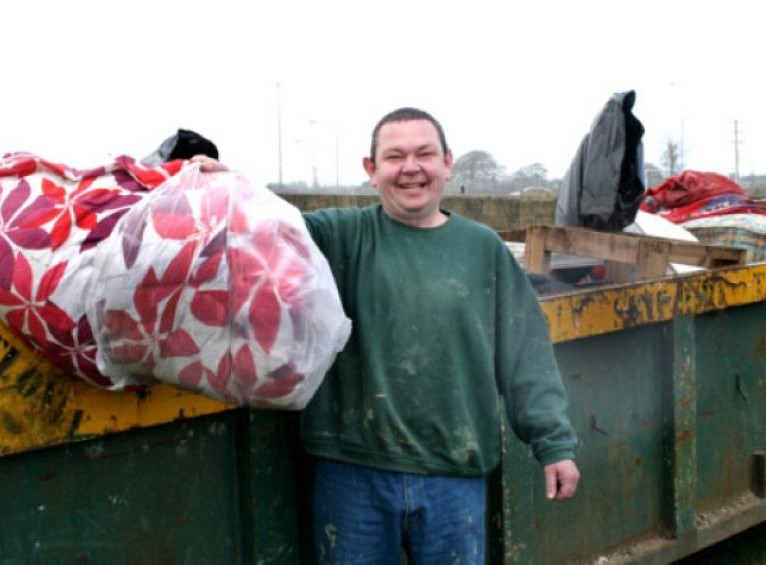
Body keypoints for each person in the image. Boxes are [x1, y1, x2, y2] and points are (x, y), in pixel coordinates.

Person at [198, 107, 579, 564]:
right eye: (395, 156)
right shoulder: (339, 235)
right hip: (352, 474)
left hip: (453, 474)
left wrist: (554, 444)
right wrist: (228, 188)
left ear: (447, 163)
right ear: (371, 169)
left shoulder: (483, 250)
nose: (411, 167)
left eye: (425, 154)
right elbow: (267, 224)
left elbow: (525, 356)